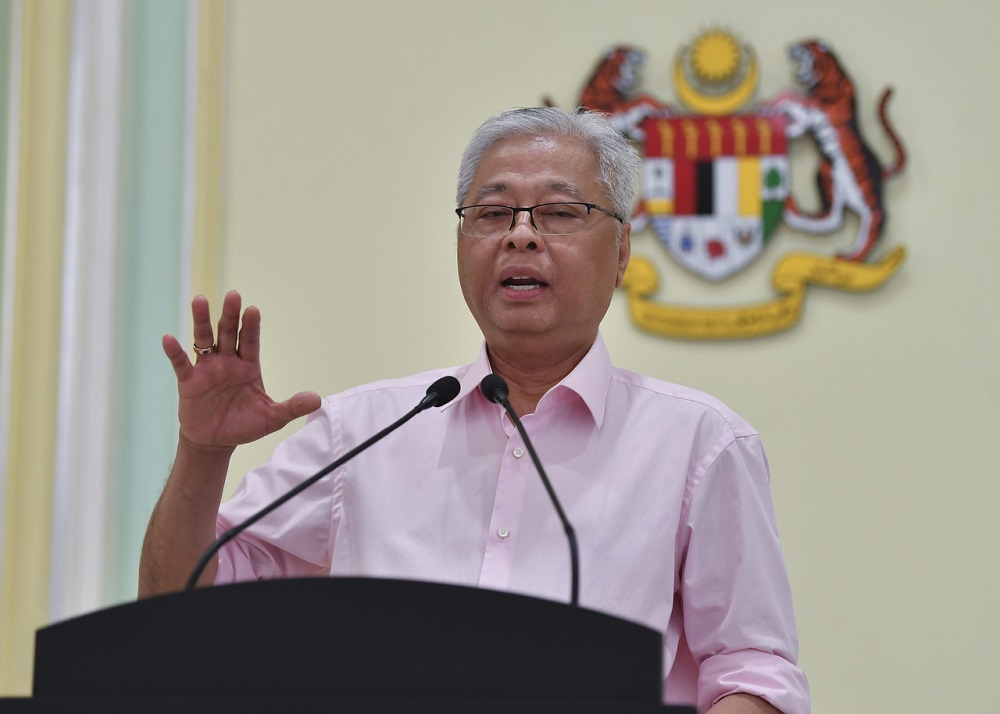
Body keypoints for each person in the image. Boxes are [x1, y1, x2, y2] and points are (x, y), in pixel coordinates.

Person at [140, 107, 810, 714]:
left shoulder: (699, 443)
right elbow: (181, 612)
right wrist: (203, 455)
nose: (520, 236)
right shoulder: (362, 433)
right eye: (492, 214)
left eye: (559, 212)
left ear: (622, 253)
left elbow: (754, 669)